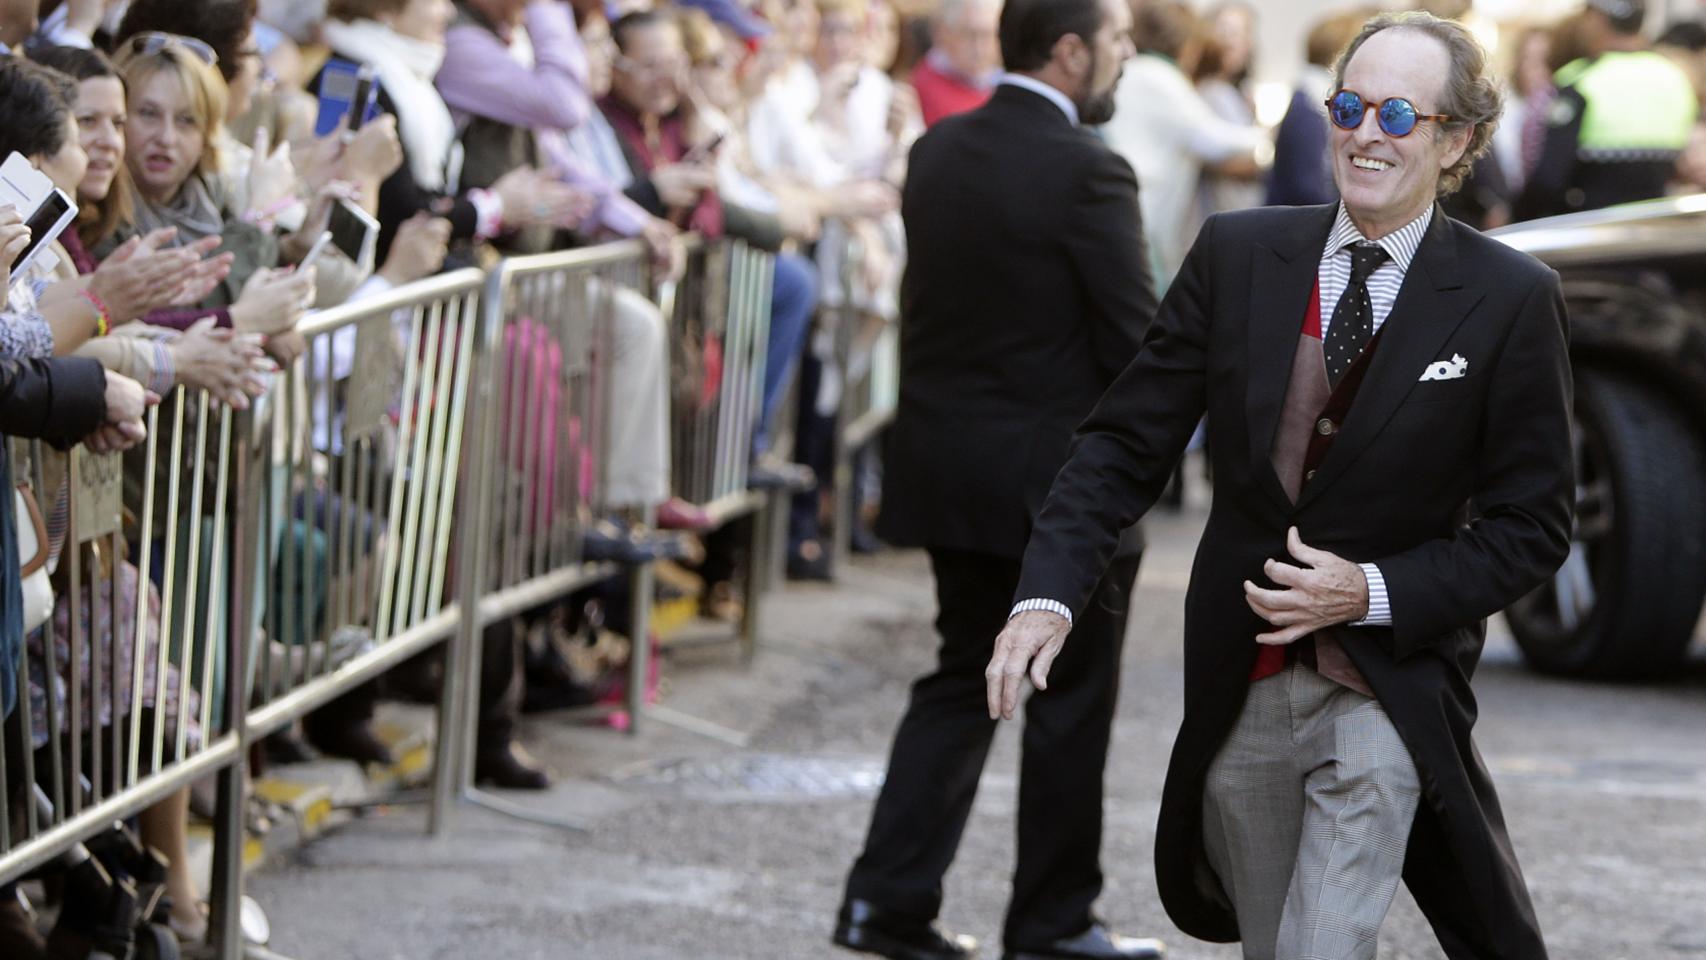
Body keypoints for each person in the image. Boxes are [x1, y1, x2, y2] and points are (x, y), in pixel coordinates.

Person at [988, 12, 1572, 960]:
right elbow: (1121, 446)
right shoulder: (1237, 254)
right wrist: (1047, 593)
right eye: (1348, 105)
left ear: (1457, 139)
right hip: (1242, 686)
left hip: (1385, 690)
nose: (1365, 133)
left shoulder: (1511, 298)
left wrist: (1372, 592)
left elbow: (1530, 528)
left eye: (1397, 113)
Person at [835, 0, 1167, 958]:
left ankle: (883, 905)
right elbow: (1132, 341)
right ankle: (1053, 927)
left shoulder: (939, 149)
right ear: (1069, 53)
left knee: (955, 682)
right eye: (1115, 43)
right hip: (1056, 490)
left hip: (948, 467)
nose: (1126, 57)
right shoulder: (1090, 169)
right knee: (1068, 707)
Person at [1102, 0, 1265, 287]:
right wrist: (1270, 138)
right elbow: (1212, 138)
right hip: (1146, 211)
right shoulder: (1163, 78)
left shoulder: (1138, 71)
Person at [1513, 0, 1697, 221]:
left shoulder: (1580, 80)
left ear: (1597, 18)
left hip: (1591, 235)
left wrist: (1516, 218)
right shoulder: (1674, 78)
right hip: (1657, 231)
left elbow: (1547, 180)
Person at [909, 0, 999, 126]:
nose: (979, 47)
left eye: (988, 35)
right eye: (970, 34)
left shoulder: (996, 80)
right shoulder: (924, 87)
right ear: (943, 32)